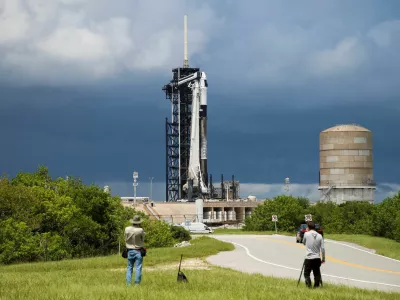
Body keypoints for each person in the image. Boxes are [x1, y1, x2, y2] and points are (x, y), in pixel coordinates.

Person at [302, 221, 325, 288]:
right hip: (317, 258)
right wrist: (323, 258)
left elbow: (303, 243)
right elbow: (322, 249)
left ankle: (309, 286)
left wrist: (306, 232)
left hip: (308, 257)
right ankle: (316, 286)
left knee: (306, 274)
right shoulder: (320, 236)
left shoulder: (306, 234)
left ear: (308, 227)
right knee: (316, 274)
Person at [124, 215, 146, 286]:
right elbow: (143, 239)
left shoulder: (127, 229)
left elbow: (125, 238)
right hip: (138, 250)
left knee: (129, 267)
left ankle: (128, 284)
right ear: (139, 222)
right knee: (138, 268)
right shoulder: (140, 230)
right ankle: (137, 284)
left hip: (129, 250)